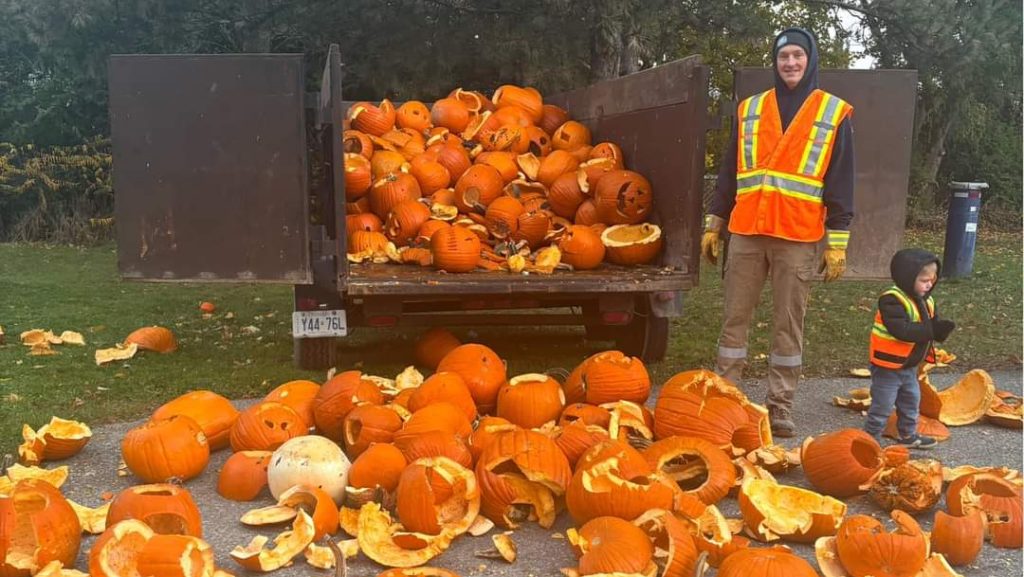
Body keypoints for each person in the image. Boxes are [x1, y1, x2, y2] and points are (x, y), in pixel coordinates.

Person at [701, 27, 856, 437]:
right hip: (748, 232)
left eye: (797, 56)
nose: (790, 63)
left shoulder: (832, 112)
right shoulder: (749, 109)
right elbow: (729, 172)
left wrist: (837, 242)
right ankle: (725, 396)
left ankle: (780, 405)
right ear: (775, 61)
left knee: (788, 325)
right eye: (783, 56)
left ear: (810, 61)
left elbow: (841, 181)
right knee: (734, 320)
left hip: (798, 236)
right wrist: (715, 222)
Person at [864, 249, 955, 448]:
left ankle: (907, 435)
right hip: (887, 366)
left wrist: (939, 330)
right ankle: (870, 439)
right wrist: (931, 330)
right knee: (883, 405)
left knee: (911, 402)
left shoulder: (927, 300)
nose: (929, 284)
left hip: (909, 366)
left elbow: (929, 327)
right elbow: (901, 330)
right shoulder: (892, 299)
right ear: (907, 277)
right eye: (924, 280)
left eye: (932, 279)